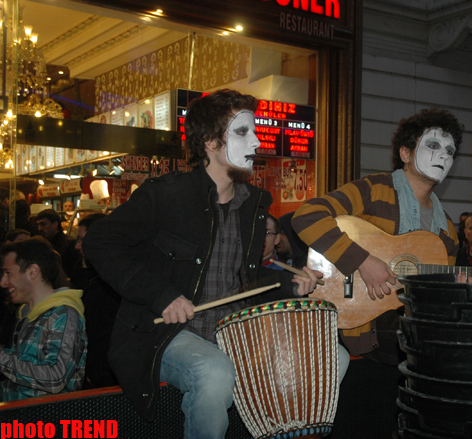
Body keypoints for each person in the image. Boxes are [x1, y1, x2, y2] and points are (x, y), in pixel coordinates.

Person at [83, 89, 349, 439]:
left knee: (333, 358)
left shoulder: (254, 205)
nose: (256, 142)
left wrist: (289, 286)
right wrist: (161, 295)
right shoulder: (164, 194)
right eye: (242, 132)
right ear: (209, 141)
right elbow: (99, 242)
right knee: (214, 372)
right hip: (167, 333)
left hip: (232, 330)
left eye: (254, 132)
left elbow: (244, 281)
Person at [293, 107, 462, 364]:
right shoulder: (373, 191)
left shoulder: (447, 230)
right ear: (405, 153)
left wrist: (456, 288)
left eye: (450, 151)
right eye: (433, 145)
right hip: (364, 323)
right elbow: (307, 216)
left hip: (413, 325)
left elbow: (438, 298)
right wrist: (362, 261)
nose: (443, 155)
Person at [0, 238, 87, 401]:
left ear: (33, 271)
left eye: (8, 273)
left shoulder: (63, 315)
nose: (3, 282)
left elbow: (55, 378)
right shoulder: (28, 313)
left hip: (43, 420)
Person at [74, 213, 121, 388]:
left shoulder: (112, 286)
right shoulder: (91, 277)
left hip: (105, 382)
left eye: (82, 240)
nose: (78, 247)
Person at [35, 209, 79, 278]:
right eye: (38, 225)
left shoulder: (70, 244)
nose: (40, 229)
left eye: (43, 224)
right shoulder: (41, 242)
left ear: (55, 224)